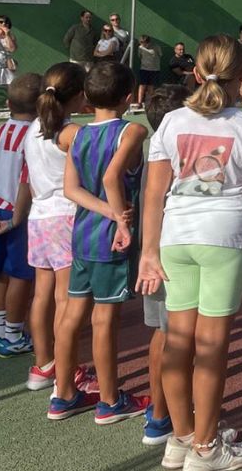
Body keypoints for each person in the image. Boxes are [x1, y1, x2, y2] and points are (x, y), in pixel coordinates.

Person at [138, 34, 242, 470]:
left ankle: (183, 438)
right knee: (212, 348)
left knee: (178, 343)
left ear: (196, 73)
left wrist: (148, 250)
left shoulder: (171, 122)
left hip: (175, 238)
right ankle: (205, 448)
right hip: (224, 240)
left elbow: (154, 193)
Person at [50, 61, 149, 424]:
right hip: (111, 241)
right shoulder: (132, 131)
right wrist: (119, 218)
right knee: (104, 318)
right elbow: (111, 177)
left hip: (83, 235)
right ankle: (109, 401)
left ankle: (63, 394)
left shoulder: (77, 135)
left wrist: (106, 212)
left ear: (88, 97)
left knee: (72, 315)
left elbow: (71, 189)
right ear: (128, 97)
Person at [24, 63, 98, 394]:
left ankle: (44, 365)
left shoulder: (33, 128)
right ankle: (68, 372)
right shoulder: (72, 133)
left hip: (39, 217)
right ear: (81, 95)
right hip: (66, 217)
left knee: (42, 295)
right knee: (66, 299)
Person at [139, 84, 191, 446]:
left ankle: (159, 414)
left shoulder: (154, 151)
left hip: (156, 252)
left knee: (163, 333)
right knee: (180, 338)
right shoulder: (174, 153)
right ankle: (174, 420)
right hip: (172, 254)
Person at [0, 73, 40, 360]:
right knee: (21, 275)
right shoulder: (34, 136)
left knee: (0, 271)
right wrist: (17, 218)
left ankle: (0, 328)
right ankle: (13, 335)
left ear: (9, 103)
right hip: (19, 213)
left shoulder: (0, 131)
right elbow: (26, 181)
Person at [137, 34, 163, 107]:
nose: (144, 45)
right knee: (142, 85)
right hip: (144, 69)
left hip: (154, 69)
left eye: (145, 43)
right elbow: (140, 56)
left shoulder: (156, 47)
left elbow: (160, 55)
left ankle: (150, 103)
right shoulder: (140, 48)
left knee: (151, 86)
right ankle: (139, 103)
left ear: (148, 42)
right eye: (142, 43)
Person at [0, 15, 19, 86]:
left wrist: (7, 34)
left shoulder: (11, 36)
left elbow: (12, 49)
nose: (3, 24)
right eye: (1, 22)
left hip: (6, 69)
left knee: (10, 87)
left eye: (6, 22)